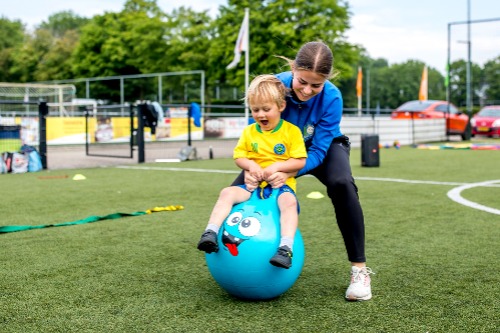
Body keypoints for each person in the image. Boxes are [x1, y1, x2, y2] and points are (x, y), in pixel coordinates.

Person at [232, 41, 374, 301]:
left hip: (323, 148)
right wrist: (254, 168)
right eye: (302, 81)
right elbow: (258, 130)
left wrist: (288, 171)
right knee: (238, 190)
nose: (307, 90)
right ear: (293, 68)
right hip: (277, 151)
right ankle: (231, 255)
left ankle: (359, 271)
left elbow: (319, 152)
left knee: (342, 183)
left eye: (316, 85)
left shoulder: (332, 97)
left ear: (326, 80)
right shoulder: (273, 86)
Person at [197, 74, 307, 269]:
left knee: (289, 203)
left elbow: (300, 161)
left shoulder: (291, 132)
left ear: (281, 106)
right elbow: (239, 156)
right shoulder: (249, 131)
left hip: (280, 188)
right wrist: (251, 166)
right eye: (255, 110)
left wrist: (277, 167)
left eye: (266, 109)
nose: (261, 115)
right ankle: (210, 233)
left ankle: (285, 248)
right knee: (227, 192)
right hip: (251, 187)